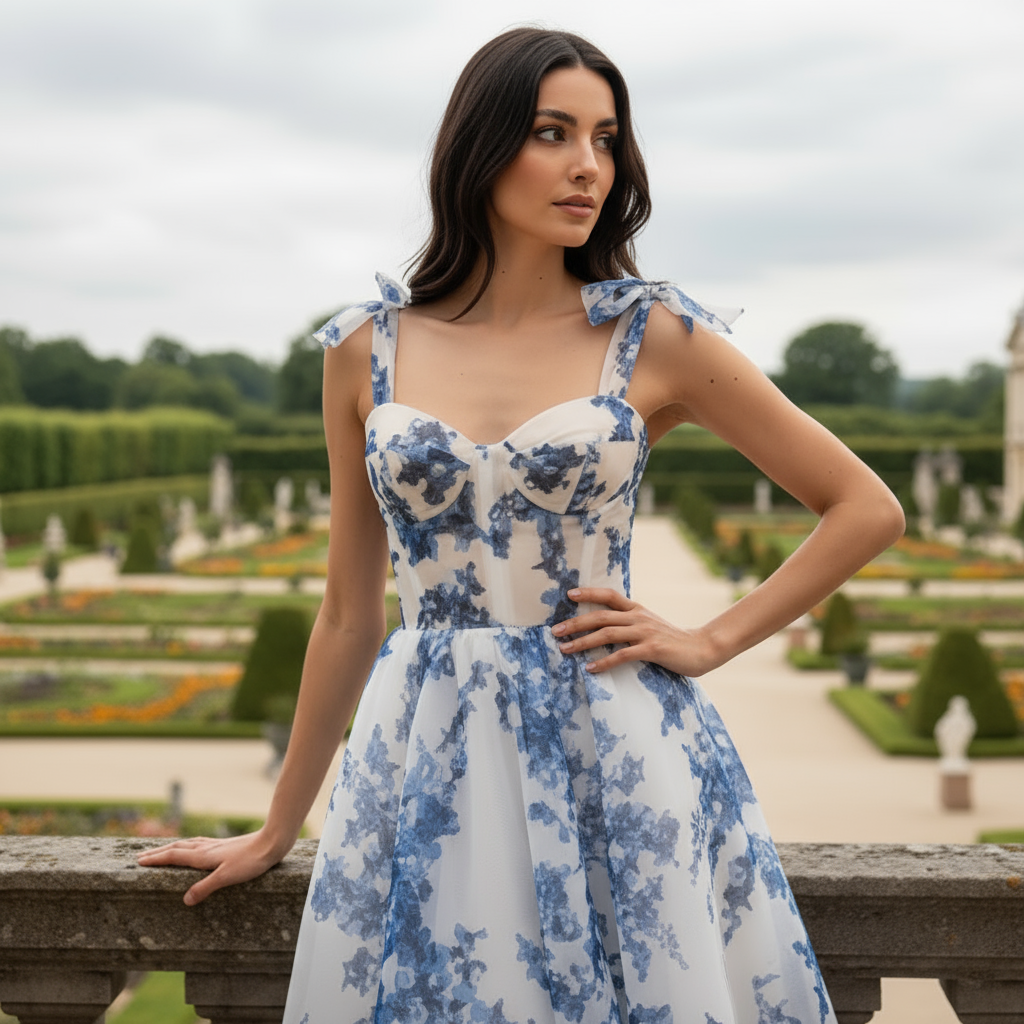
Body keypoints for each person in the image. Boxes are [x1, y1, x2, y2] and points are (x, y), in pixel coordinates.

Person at [138, 27, 904, 1024]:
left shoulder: (652, 336)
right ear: (480, 144)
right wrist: (280, 824)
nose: (588, 164)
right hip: (421, 748)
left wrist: (707, 639)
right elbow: (345, 615)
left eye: (606, 138)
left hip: (615, 741)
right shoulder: (363, 350)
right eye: (552, 132)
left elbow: (865, 506)